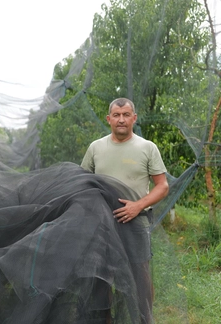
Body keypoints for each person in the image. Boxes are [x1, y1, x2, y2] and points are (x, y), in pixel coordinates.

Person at [81, 97, 169, 323]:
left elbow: (162, 186)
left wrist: (137, 205)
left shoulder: (147, 148)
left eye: (126, 115)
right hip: (100, 224)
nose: (121, 120)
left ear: (134, 118)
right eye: (117, 115)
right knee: (100, 277)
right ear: (109, 119)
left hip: (135, 222)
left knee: (139, 277)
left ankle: (143, 320)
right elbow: (82, 182)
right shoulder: (96, 147)